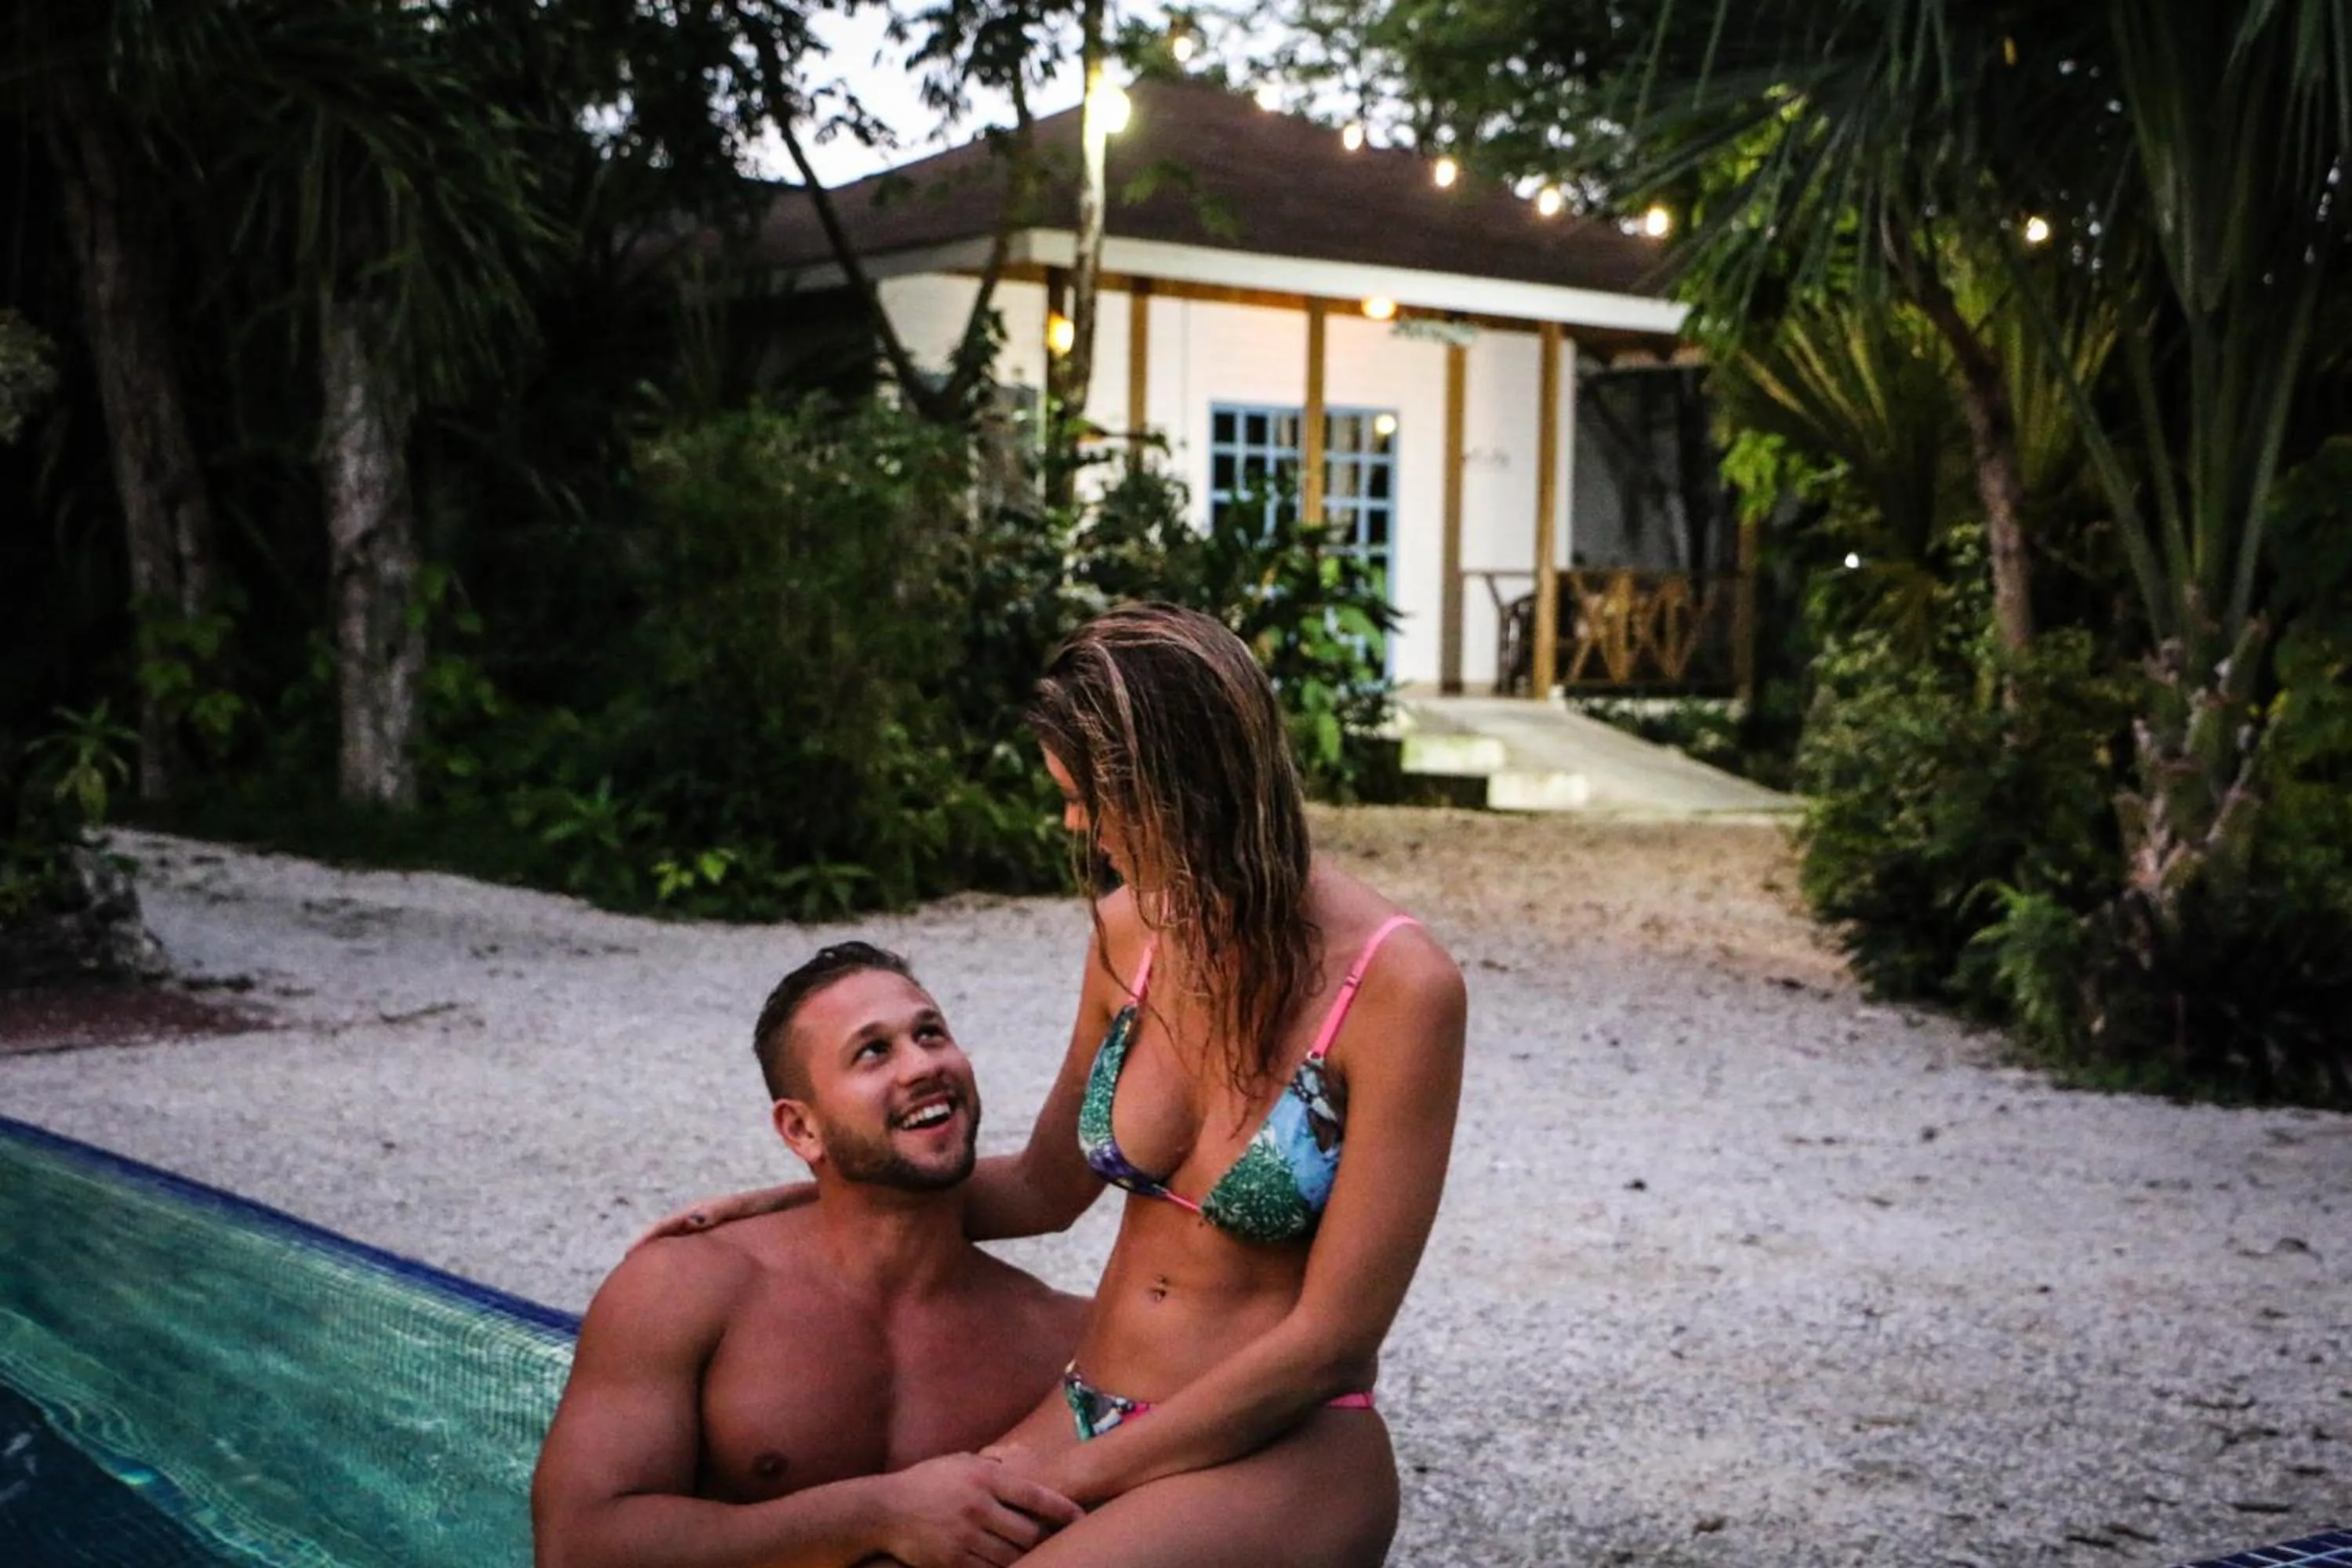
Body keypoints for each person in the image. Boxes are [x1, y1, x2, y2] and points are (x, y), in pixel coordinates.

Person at [651, 603, 1468, 1566]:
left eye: (1086, 797)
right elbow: (1043, 1188)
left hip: (1280, 1441)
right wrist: (816, 1190)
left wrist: (1054, 1486)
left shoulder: (1401, 990)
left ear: (1174, 789)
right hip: (1088, 1403)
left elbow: (1330, 1339)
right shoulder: (1135, 932)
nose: (1076, 823)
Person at [532, 942, 1091, 1568]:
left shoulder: (1056, 1337)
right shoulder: (684, 1289)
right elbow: (576, 1547)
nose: (921, 1065)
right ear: (801, 1129)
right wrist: (876, 1514)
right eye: (873, 1051)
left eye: (930, 1033)